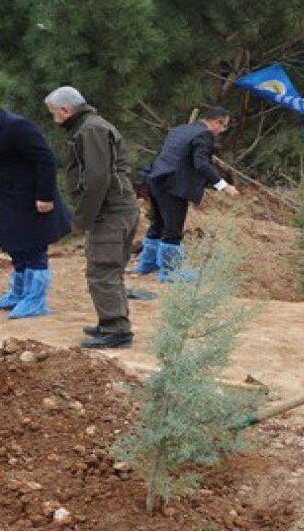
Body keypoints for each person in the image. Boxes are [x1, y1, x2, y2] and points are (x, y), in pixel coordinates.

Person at [0, 90, 72, 318]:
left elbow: (45, 159)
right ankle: (18, 294)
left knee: (34, 247)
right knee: (16, 246)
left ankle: (36, 301)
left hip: (30, 197)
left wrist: (45, 196)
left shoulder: (17, 126)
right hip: (6, 199)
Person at [45, 86, 140, 349]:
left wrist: (83, 218)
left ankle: (117, 330)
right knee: (109, 269)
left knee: (102, 269)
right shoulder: (90, 126)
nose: (54, 120)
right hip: (116, 209)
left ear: (66, 110)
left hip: (110, 212)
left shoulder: (91, 129)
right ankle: (109, 322)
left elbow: (98, 179)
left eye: (55, 113)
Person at [138, 107, 239, 281]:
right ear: (217, 122)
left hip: (155, 178)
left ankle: (146, 264)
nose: (222, 131)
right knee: (173, 229)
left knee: (158, 222)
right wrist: (223, 185)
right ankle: (171, 273)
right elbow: (201, 164)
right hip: (173, 185)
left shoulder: (180, 129)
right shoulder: (204, 135)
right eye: (223, 127)